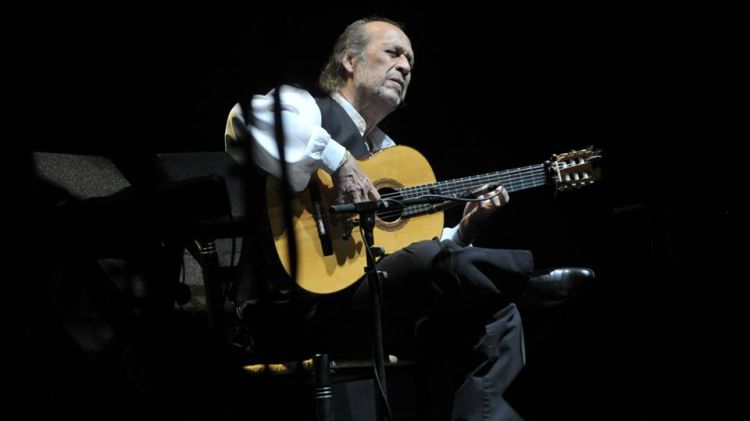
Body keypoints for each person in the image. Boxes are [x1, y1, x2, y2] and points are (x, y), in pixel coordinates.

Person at [224, 17, 593, 421]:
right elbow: (243, 121)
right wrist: (338, 159)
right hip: (297, 309)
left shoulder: (391, 154)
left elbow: (406, 251)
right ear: (350, 60)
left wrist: (464, 230)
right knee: (430, 263)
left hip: (369, 307)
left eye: (411, 62)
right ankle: (523, 281)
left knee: (495, 317)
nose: (404, 67)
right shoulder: (309, 107)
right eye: (393, 53)